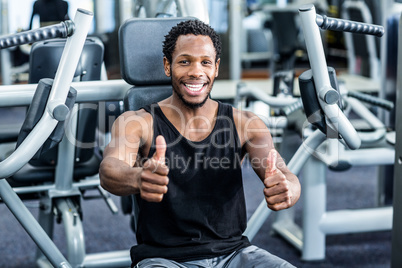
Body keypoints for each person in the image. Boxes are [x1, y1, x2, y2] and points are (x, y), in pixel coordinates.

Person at [99, 19, 300, 268]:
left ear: (216, 68)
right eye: (185, 61)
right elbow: (110, 170)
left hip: (235, 254)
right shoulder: (137, 123)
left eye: (205, 62)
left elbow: (285, 174)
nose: (196, 71)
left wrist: (289, 187)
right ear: (167, 66)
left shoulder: (245, 123)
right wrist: (138, 178)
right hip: (164, 260)